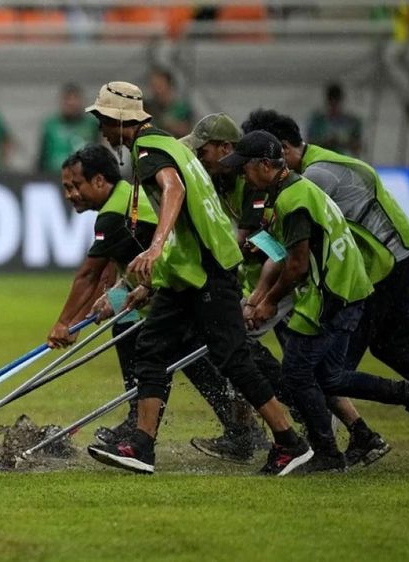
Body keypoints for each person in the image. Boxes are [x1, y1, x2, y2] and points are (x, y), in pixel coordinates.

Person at [82, 81, 313, 476]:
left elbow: (173, 193)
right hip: (192, 273)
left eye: (103, 120)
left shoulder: (150, 150)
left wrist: (153, 248)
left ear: (120, 121)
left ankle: (291, 442)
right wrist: (136, 290)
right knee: (152, 349)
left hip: (208, 273)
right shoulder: (171, 145)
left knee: (234, 360)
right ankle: (142, 445)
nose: (101, 130)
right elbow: (185, 231)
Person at [243, 109, 409, 456]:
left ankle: (362, 431)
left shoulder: (315, 177)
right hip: (395, 253)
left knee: (333, 369)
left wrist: (262, 294)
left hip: (383, 262)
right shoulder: (318, 166)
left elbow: (293, 251)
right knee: (394, 343)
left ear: (280, 148)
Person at [222, 131, 409, 472]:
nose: (241, 176)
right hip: (346, 288)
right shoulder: (295, 189)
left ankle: (326, 453)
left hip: (331, 294)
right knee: (330, 378)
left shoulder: (292, 200)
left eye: (244, 169)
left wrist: (266, 302)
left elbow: (295, 266)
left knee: (296, 375)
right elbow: (288, 253)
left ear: (265, 165)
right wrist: (260, 295)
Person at [182, 113, 392, 467]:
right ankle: (358, 431)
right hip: (274, 279)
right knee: (301, 365)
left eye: (202, 153)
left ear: (225, 149)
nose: (199, 161)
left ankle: (252, 432)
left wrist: (259, 298)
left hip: (280, 282)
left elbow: (259, 246)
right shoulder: (236, 180)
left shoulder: (255, 185)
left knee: (246, 348)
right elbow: (263, 245)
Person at [48, 145, 268, 457]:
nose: (70, 194)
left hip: (185, 285)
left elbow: (88, 275)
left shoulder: (113, 215)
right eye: (66, 188)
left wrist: (65, 324)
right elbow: (114, 262)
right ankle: (145, 419)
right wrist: (112, 296)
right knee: (133, 330)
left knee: (178, 351)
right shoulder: (124, 197)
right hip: (167, 284)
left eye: (74, 186)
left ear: (99, 181)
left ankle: (246, 428)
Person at [36, 83, 101, 174]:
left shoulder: (91, 125)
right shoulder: (51, 125)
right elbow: (42, 156)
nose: (71, 103)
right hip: (54, 176)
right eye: (67, 99)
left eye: (75, 98)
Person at [306, 83, 363, 157]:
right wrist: (326, 142)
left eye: (336, 103)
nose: (334, 107)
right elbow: (309, 145)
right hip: (323, 160)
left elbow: (358, 146)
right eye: (331, 103)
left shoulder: (352, 122)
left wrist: (342, 142)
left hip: (344, 161)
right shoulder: (318, 121)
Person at [143, 68, 193, 138]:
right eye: (153, 85)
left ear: (169, 85)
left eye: (159, 85)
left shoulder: (181, 108)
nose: (156, 89)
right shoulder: (147, 107)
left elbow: (186, 131)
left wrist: (170, 125)